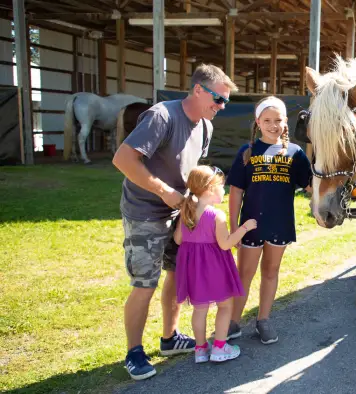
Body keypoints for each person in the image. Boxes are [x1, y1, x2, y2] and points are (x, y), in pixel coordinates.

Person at [112, 63, 236, 380]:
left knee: (177, 274)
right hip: (144, 212)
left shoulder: (205, 127)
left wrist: (198, 203)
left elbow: (190, 175)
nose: (221, 107)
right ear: (197, 90)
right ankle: (134, 352)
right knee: (145, 283)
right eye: (218, 99)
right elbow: (123, 159)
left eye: (225, 102)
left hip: (179, 213)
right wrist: (164, 191)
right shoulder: (162, 116)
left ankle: (170, 338)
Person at [225, 96, 312, 345]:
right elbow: (236, 191)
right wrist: (234, 227)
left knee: (271, 272)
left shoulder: (295, 153)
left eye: (278, 120)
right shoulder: (248, 152)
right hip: (250, 226)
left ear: (286, 122)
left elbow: (309, 185)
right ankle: (233, 321)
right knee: (245, 274)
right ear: (258, 122)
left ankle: (263, 320)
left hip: (280, 224)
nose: (273, 125)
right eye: (267, 120)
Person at [173, 165, 256, 363]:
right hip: (215, 267)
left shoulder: (186, 211)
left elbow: (177, 240)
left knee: (199, 309)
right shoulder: (217, 216)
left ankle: (200, 350)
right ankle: (219, 347)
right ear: (210, 189)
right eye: (221, 186)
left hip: (192, 268)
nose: (224, 189)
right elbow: (225, 244)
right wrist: (245, 228)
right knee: (225, 306)